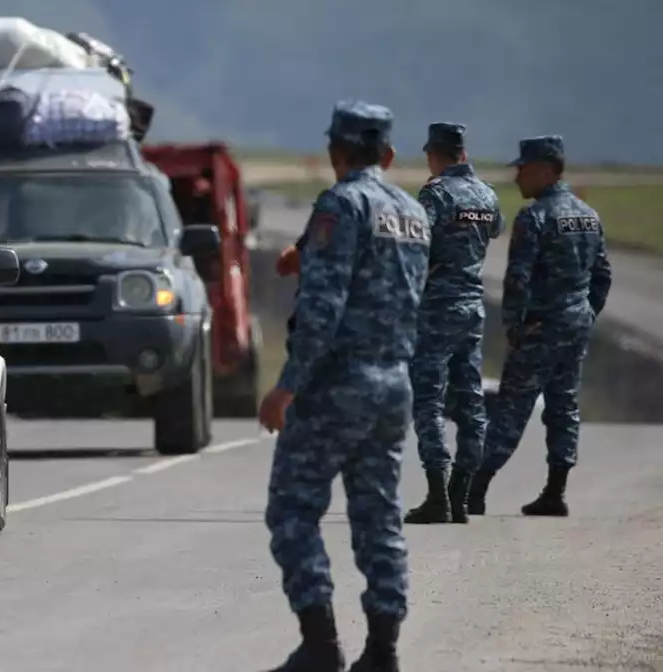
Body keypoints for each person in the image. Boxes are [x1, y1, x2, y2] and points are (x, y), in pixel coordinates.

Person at [259, 101, 429, 672]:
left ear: (335, 150)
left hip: (339, 383)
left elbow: (325, 310)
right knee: (379, 517)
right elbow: (386, 288)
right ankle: (383, 652)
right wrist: (307, 258)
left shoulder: (341, 203)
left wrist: (286, 387)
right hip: (393, 383)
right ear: (387, 154)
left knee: (292, 510)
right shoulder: (411, 212)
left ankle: (321, 646)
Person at [468, 136, 612, 517]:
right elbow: (602, 276)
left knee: (512, 407)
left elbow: (517, 281)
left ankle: (475, 489)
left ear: (546, 169)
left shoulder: (535, 218)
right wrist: (584, 313)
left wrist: (515, 331)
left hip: (540, 328)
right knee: (564, 405)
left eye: (524, 169)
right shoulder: (588, 215)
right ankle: (555, 490)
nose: (518, 177)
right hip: (574, 326)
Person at [403, 123, 505, 526]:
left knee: (428, 399)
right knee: (470, 402)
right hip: (472, 308)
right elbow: (494, 229)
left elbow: (414, 242)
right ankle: (460, 495)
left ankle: (436, 494)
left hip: (437, 308)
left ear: (435, 154)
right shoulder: (487, 194)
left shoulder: (436, 194)